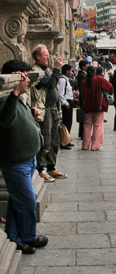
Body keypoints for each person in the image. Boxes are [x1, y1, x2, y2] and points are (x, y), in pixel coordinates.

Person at [0, 60, 48, 254]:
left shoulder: (18, 97)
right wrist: (15, 93)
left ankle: (14, 236)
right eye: (25, 76)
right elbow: (5, 120)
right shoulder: (5, 98)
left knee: (17, 200)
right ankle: (28, 236)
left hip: (28, 159)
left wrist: (30, 111)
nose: (28, 81)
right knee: (27, 201)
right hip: (15, 161)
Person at [30, 46, 63, 181]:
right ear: (38, 56)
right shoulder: (36, 71)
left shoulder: (47, 70)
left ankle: (51, 166)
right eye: (45, 55)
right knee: (46, 139)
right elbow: (50, 84)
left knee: (55, 140)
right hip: (45, 110)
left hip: (53, 108)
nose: (48, 57)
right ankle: (41, 168)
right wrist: (56, 69)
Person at [78, 65, 113, 151]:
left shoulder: (84, 82)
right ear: (94, 72)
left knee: (87, 125)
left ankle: (85, 145)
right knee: (97, 125)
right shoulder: (99, 79)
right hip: (98, 106)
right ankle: (96, 145)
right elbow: (110, 87)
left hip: (87, 106)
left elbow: (82, 94)